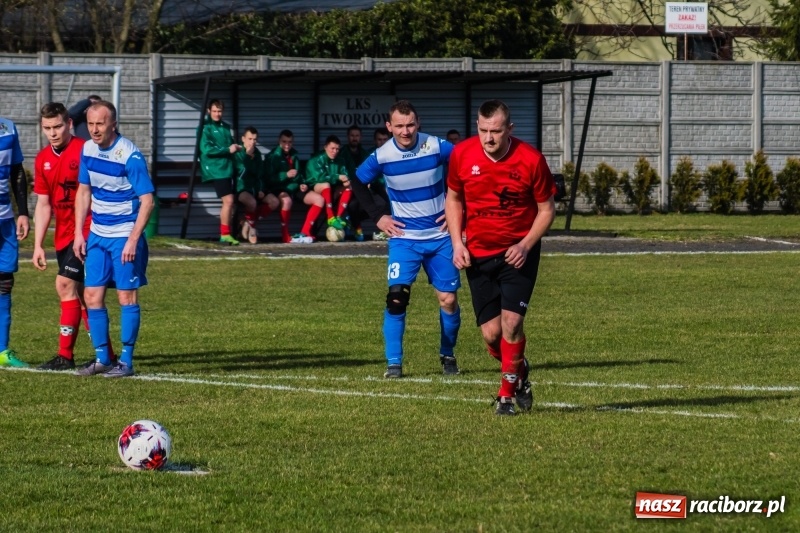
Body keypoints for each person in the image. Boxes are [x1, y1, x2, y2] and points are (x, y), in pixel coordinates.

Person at [445, 99, 556, 416]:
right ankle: (519, 371)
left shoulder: (531, 160)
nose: (488, 138)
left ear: (510, 129)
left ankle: (505, 397)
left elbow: (547, 209)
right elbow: (453, 199)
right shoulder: (462, 154)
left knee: (512, 323)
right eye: (483, 130)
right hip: (478, 254)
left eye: (495, 131)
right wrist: (457, 244)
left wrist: (525, 245)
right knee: (492, 336)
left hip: (517, 254)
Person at [352, 100, 461, 378]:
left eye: (410, 124)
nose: (405, 131)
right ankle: (394, 363)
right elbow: (357, 181)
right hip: (404, 239)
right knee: (396, 298)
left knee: (448, 300)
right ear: (389, 126)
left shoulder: (436, 146)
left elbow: (467, 166)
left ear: (418, 122)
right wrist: (378, 216)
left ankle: (447, 354)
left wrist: (460, 208)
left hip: (441, 237)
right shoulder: (382, 155)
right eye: (399, 126)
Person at [32, 102, 117, 370]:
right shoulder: (42, 159)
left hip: (88, 230)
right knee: (83, 295)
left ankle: (65, 356)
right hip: (63, 235)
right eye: (47, 128)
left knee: (64, 285)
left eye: (57, 126)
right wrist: (38, 245)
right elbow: (44, 204)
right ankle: (107, 355)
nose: (53, 133)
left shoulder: (86, 150)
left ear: (69, 124)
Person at [73, 100, 154, 378]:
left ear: (113, 124)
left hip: (124, 235)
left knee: (125, 295)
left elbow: (147, 201)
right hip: (97, 234)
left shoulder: (130, 155)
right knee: (91, 295)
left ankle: (126, 361)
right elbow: (84, 191)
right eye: (91, 124)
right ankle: (102, 359)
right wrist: (79, 233)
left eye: (100, 124)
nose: (94, 129)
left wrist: (133, 239)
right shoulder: (87, 149)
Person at [0, 115, 30, 368]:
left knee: (4, 282)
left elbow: (17, 171)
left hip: (6, 219)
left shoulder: (8, 127)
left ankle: (2, 349)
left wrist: (23, 212)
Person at [198, 99, 241, 245]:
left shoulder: (225, 127)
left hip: (227, 168)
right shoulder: (205, 127)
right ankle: (224, 234)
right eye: (215, 111)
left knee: (231, 201)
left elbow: (229, 146)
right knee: (229, 201)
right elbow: (206, 150)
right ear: (209, 111)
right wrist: (228, 150)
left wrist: (237, 147)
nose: (217, 114)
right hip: (216, 169)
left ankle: (230, 232)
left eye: (220, 111)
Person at [303, 135, 352, 237]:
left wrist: (345, 180)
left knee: (348, 187)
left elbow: (344, 173)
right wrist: (338, 177)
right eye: (332, 148)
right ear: (325, 147)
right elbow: (320, 177)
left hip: (332, 190)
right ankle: (330, 217)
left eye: (337, 149)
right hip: (314, 188)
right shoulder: (317, 159)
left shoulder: (340, 160)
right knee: (326, 184)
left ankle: (338, 217)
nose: (335, 151)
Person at [234, 126, 273, 244]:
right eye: (250, 139)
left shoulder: (258, 154)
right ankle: (252, 229)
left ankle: (247, 221)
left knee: (274, 202)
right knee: (252, 203)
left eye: (255, 139)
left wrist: (261, 189)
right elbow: (240, 174)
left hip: (255, 188)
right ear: (243, 139)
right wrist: (247, 156)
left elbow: (260, 175)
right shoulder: (238, 153)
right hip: (241, 188)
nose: (252, 142)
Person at [264, 129, 302, 243]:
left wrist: (302, 183)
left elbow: (299, 174)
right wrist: (285, 175)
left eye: (290, 142)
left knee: (318, 199)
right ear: (279, 141)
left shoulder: (294, 155)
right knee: (286, 201)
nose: (287, 145)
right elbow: (269, 178)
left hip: (292, 188)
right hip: (276, 188)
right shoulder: (273, 156)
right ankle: (285, 234)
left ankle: (306, 232)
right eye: (284, 142)